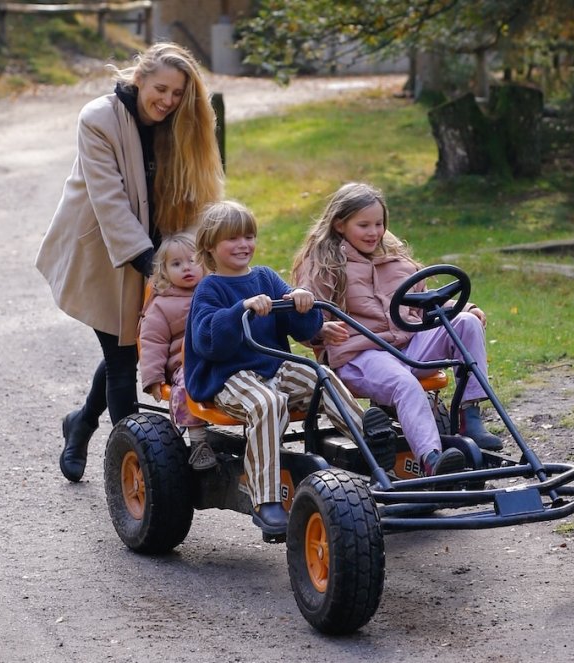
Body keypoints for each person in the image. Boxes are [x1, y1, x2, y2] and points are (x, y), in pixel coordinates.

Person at [35, 43, 224, 483]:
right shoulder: (97, 119)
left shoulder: (179, 121)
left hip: (161, 250)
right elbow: (111, 203)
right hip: (104, 251)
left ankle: (80, 422)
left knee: (129, 345)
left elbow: (195, 196)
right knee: (122, 360)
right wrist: (153, 266)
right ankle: (136, 476)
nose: (169, 101)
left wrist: (204, 255)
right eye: (161, 89)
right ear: (139, 77)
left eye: (178, 93)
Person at [184, 200, 395, 538]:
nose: (243, 245)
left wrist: (301, 301)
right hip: (227, 376)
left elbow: (303, 327)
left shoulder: (265, 277)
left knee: (320, 376)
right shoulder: (210, 288)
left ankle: (373, 446)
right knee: (268, 403)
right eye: (232, 239)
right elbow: (209, 342)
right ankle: (266, 500)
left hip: (273, 366)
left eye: (248, 237)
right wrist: (241, 309)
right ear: (210, 245)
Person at [291, 182, 505, 478]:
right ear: (340, 224)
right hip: (359, 357)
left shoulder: (396, 259)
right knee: (405, 383)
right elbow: (304, 319)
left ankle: (469, 415)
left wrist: (465, 309)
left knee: (466, 324)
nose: (373, 232)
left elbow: (424, 304)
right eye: (363, 225)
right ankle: (431, 458)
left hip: (407, 345)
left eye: (379, 224)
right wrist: (320, 331)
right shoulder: (324, 264)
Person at [137, 233, 215, 470]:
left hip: (220, 356)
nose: (187, 268)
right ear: (164, 271)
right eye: (176, 264)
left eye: (193, 261)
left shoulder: (213, 291)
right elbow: (152, 342)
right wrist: (153, 379)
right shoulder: (162, 305)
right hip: (185, 365)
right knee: (187, 388)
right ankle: (198, 440)